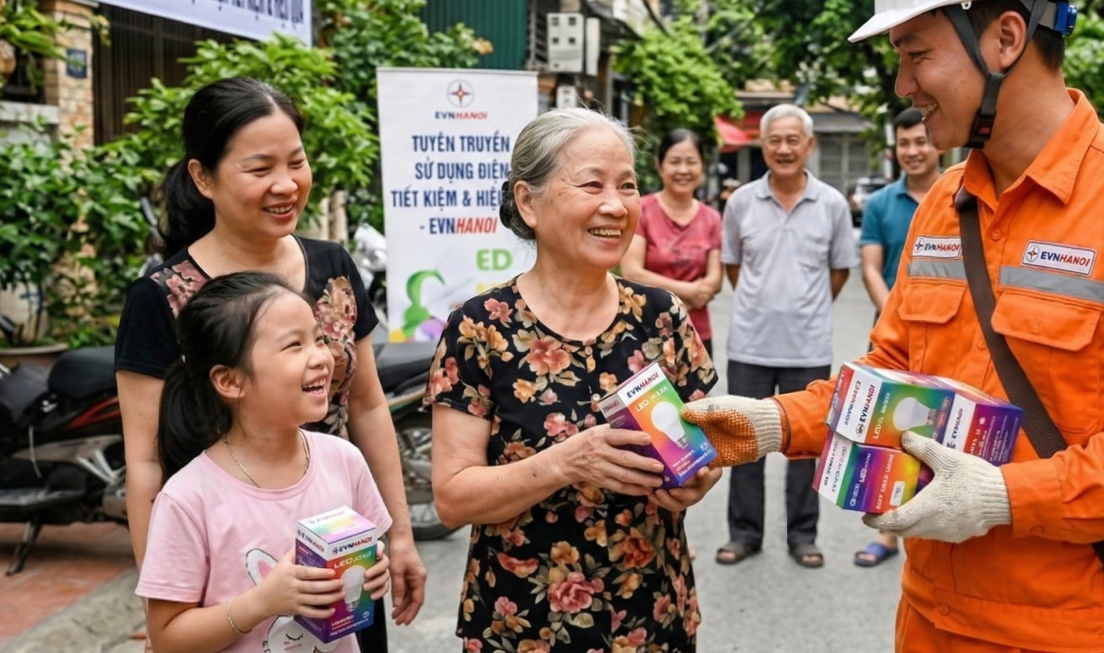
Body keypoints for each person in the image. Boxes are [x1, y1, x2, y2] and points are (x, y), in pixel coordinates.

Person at [685, 0, 1104, 652]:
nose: (905, 87)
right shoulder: (945, 205)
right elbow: (885, 376)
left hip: (1072, 631)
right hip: (930, 616)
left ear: (1006, 38)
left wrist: (1004, 496)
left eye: (917, 54)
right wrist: (777, 422)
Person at [115, 79, 426, 651]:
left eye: (297, 162)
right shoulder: (161, 296)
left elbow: (366, 405)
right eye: (260, 169)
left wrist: (399, 535)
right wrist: (165, 604)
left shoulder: (333, 264)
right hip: (231, 567)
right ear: (203, 177)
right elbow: (144, 458)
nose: (286, 185)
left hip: (341, 559)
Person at [427, 108, 720, 653]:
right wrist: (566, 461)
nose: (616, 205)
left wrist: (696, 479)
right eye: (592, 184)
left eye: (628, 185)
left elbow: (701, 452)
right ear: (527, 202)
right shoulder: (480, 326)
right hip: (523, 623)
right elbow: (452, 497)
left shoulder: (662, 316)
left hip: (652, 615)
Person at [137, 271, 392, 653]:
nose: (322, 357)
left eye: (319, 339)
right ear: (230, 381)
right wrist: (262, 602)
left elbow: (368, 559)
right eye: (294, 346)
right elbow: (168, 637)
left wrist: (373, 572)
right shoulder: (189, 499)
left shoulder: (344, 460)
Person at [716, 103, 859, 570]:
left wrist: (803, 306)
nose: (783, 149)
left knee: (807, 446)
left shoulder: (833, 204)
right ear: (763, 145)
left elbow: (839, 271)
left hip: (807, 347)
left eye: (792, 140)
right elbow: (734, 266)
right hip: (750, 346)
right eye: (774, 140)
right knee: (743, 444)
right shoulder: (739, 203)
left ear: (809, 146)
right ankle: (744, 534)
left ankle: (803, 535)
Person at [853, 107, 941, 568]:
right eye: (904, 144)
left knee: (942, 433)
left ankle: (936, 528)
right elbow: (870, 265)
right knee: (888, 434)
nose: (912, 151)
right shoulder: (881, 203)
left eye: (920, 142)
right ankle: (887, 532)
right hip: (892, 334)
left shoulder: (961, 194)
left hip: (948, 338)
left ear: (937, 143)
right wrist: (898, 312)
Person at [621, 128, 725, 356]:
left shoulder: (712, 217)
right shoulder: (642, 211)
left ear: (702, 166)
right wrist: (689, 291)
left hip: (696, 333)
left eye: (691, 162)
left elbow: (715, 279)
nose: (683, 170)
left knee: (698, 394)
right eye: (675, 162)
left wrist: (704, 289)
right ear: (660, 165)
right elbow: (632, 272)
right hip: (647, 331)